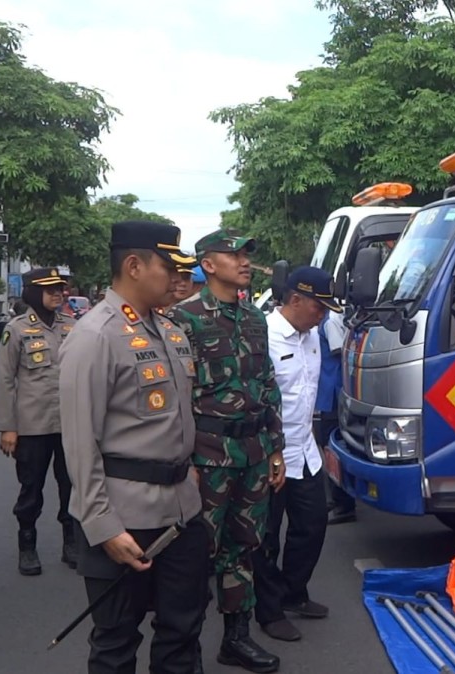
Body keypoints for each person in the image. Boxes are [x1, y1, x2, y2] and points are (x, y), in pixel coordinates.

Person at [59, 221, 208, 674]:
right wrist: (103, 526)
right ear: (134, 265)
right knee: (116, 642)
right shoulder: (95, 336)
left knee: (182, 631)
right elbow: (80, 443)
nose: (178, 281)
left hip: (182, 513)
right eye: (169, 268)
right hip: (125, 518)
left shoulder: (170, 329)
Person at [167, 229, 284, 673]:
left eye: (247, 255)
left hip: (252, 450)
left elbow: (267, 385)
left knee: (244, 546)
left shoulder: (255, 318)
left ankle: (236, 638)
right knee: (198, 553)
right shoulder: (184, 319)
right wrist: (184, 463)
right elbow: (176, 399)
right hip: (208, 454)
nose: (244, 262)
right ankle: (184, 646)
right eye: (234, 254)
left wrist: (275, 448)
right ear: (208, 264)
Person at [253, 267, 341, 642]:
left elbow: (305, 396)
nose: (322, 315)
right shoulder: (264, 337)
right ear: (294, 300)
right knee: (266, 537)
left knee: (312, 525)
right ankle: (268, 611)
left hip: (305, 452)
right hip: (270, 456)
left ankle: (294, 592)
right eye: (318, 307)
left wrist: (317, 440)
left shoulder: (311, 337)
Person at [0, 267, 79, 576]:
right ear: (32, 292)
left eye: (60, 288)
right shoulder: (16, 329)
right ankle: (27, 545)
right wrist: (8, 426)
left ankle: (71, 543)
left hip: (69, 424)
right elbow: (5, 380)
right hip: (32, 426)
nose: (58, 293)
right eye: (50, 288)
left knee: (71, 487)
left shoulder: (73, 326)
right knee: (31, 489)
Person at [319, 309, 355, 525]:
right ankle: (337, 498)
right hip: (330, 392)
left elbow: (338, 351)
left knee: (332, 448)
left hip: (333, 393)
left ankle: (344, 504)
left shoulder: (331, 321)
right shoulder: (330, 319)